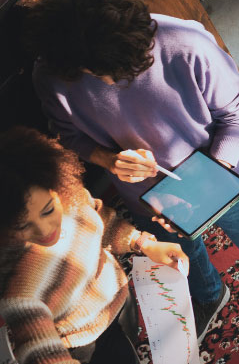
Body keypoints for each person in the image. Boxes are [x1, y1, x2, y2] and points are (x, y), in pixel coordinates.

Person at [23, 0, 239, 349]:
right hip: (145, 199)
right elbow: (68, 136)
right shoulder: (53, 72)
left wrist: (207, 183)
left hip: (222, 180)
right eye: (95, 74)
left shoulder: (187, 42)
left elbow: (237, 114)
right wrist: (108, 160)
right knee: (181, 257)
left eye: (117, 71)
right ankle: (209, 293)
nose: (107, 83)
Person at [0, 127, 188, 364]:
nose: (45, 230)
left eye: (48, 210)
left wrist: (142, 243)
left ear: (58, 187)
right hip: (82, 340)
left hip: (118, 298)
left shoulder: (73, 199)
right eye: (21, 227)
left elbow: (101, 221)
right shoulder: (18, 291)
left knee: (128, 341)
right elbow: (37, 347)